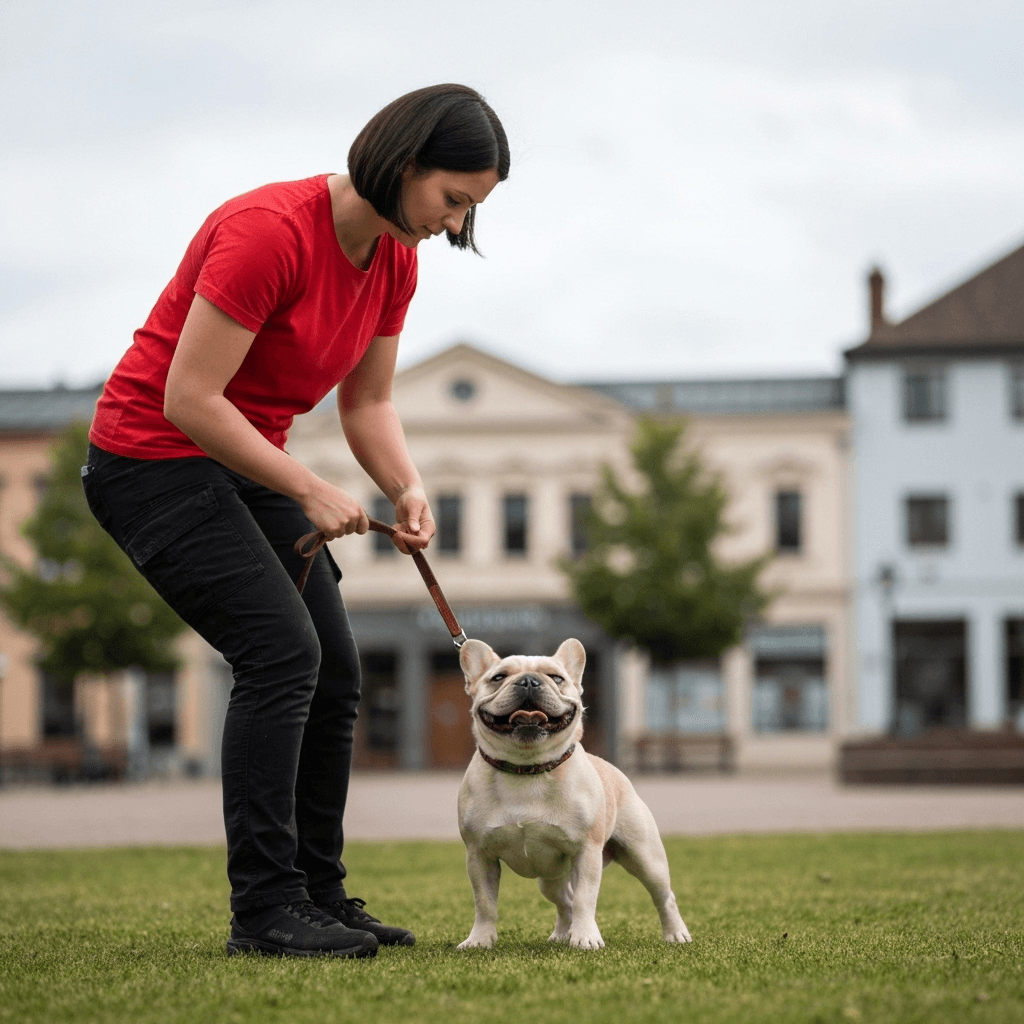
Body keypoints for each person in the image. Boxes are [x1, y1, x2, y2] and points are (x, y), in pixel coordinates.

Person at [81, 84, 509, 958]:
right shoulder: (268, 231)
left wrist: (406, 484)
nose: (456, 225)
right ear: (403, 162)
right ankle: (266, 910)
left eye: (472, 210)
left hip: (242, 460)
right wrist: (311, 489)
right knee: (281, 653)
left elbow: (371, 401)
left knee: (337, 672)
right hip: (149, 458)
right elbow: (189, 397)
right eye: (453, 200)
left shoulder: (395, 259)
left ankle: (318, 895)